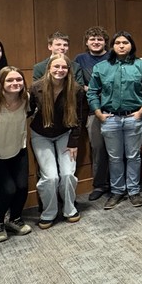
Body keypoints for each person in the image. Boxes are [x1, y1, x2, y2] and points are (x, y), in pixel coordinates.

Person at [89, 31, 142, 209]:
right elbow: (92, 92)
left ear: (131, 45)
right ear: (112, 46)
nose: (121, 45)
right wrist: (98, 113)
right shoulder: (101, 67)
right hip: (110, 119)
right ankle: (117, 191)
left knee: (133, 157)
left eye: (125, 42)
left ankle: (133, 191)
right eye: (117, 42)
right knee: (114, 158)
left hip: (133, 118)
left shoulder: (141, 66)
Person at [30, 55, 87, 228]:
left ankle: (69, 209)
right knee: (51, 177)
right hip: (41, 133)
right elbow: (28, 110)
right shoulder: (36, 87)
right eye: (56, 66)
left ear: (69, 70)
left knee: (68, 174)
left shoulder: (76, 89)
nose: (60, 70)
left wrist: (74, 142)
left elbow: (80, 118)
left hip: (65, 133)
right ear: (49, 68)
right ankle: (49, 212)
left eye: (64, 67)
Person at [0, 67, 32, 242]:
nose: (15, 83)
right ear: (1, 83)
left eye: (19, 79)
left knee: (22, 187)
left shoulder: (26, 99)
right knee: (8, 189)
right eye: (10, 80)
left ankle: (14, 219)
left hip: (18, 149)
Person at [74, 26, 111, 202]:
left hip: (115, 110)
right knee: (98, 149)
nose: (96, 42)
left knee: (118, 150)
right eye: (92, 39)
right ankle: (100, 185)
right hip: (92, 112)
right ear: (87, 42)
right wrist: (93, 89)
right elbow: (77, 84)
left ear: (105, 42)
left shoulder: (113, 57)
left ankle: (119, 184)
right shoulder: (80, 59)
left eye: (99, 39)